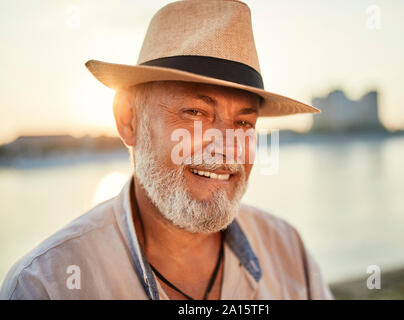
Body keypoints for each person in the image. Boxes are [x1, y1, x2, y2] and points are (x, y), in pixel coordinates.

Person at [0, 0, 332, 299]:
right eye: (195, 113)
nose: (226, 147)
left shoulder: (289, 251)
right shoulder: (46, 286)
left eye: (244, 124)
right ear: (129, 120)